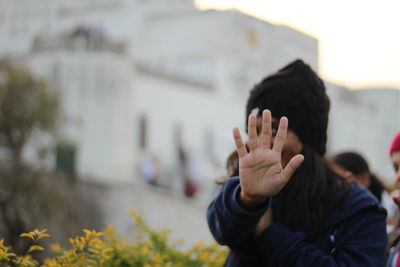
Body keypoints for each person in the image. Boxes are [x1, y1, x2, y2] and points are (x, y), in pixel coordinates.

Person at [206, 59, 387, 266]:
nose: (260, 145)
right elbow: (222, 229)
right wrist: (248, 201)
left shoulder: (357, 208)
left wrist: (270, 234)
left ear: (307, 138)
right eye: (253, 132)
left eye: (272, 130)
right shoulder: (244, 188)